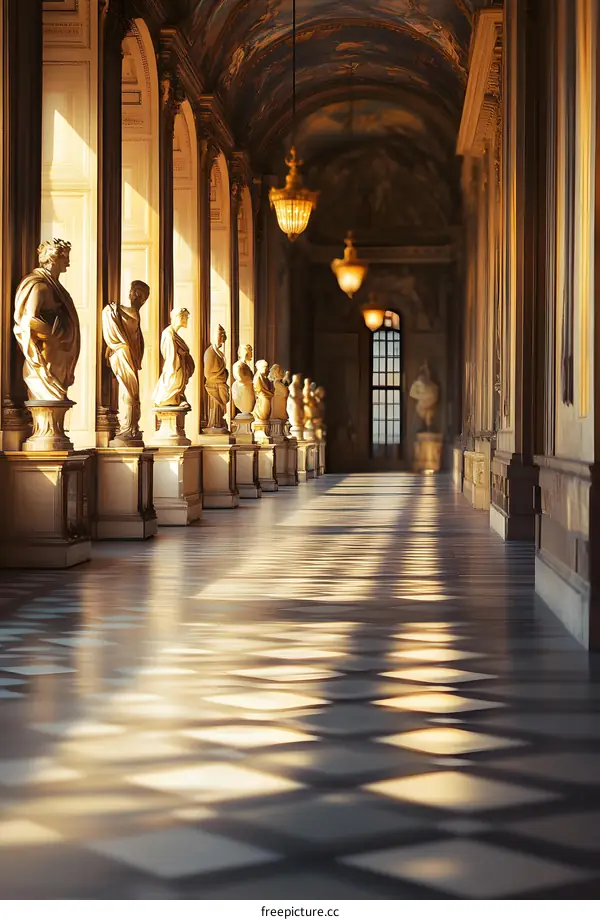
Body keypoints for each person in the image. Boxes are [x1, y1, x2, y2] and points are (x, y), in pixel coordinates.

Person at [14, 239, 80, 401]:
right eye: (66, 257)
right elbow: (30, 320)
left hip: (58, 356)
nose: (69, 263)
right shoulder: (39, 286)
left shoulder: (54, 286)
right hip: (46, 358)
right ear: (53, 258)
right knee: (50, 401)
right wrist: (55, 336)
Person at [102, 280, 150, 442]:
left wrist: (111, 308)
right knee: (130, 390)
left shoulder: (131, 313)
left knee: (129, 391)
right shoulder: (134, 314)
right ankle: (130, 427)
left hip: (123, 354)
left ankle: (129, 428)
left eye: (131, 291)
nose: (129, 294)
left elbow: (115, 313)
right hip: (125, 354)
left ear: (136, 295)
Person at [153, 306, 195, 407]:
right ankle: (169, 397)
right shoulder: (168, 334)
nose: (187, 319)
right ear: (179, 317)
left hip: (179, 368)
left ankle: (178, 397)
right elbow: (170, 356)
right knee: (171, 384)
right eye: (185, 317)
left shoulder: (173, 333)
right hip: (174, 369)